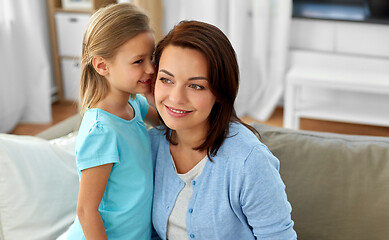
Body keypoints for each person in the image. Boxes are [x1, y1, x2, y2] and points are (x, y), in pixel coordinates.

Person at [149, 20, 297, 240]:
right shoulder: (151, 145)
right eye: (166, 80)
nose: (176, 98)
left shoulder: (248, 162)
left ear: (220, 91)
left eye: (196, 85)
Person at [65, 3, 159, 240]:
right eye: (138, 61)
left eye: (152, 57)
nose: (150, 68)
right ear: (102, 66)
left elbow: (168, 124)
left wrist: (152, 94)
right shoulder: (101, 130)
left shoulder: (134, 104)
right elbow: (86, 211)